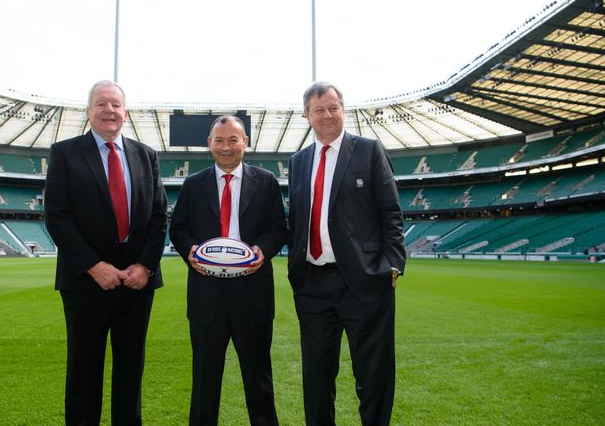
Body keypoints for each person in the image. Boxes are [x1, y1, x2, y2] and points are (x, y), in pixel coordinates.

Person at [44, 80, 168, 426]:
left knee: (131, 373)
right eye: (101, 104)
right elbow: (57, 216)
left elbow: (159, 216)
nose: (109, 110)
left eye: (115, 104)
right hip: (86, 284)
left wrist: (145, 265)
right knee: (84, 373)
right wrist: (93, 266)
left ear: (125, 113)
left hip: (136, 284)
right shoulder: (65, 153)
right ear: (89, 112)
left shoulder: (147, 156)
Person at [287, 82, 406, 426]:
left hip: (365, 282)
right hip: (312, 285)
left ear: (343, 109)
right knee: (317, 378)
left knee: (373, 377)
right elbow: (297, 218)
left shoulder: (369, 150)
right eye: (319, 109)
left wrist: (392, 265)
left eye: (333, 107)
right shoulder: (298, 161)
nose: (327, 115)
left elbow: (391, 213)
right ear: (307, 115)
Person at [169, 115, 287, 426]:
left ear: (245, 143)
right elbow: (178, 229)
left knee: (259, 381)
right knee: (204, 384)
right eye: (219, 140)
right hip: (206, 295)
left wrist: (263, 249)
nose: (226, 147)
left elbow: (278, 227)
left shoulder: (267, 182)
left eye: (233, 139)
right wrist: (191, 250)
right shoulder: (193, 185)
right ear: (209, 144)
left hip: (253, 294)